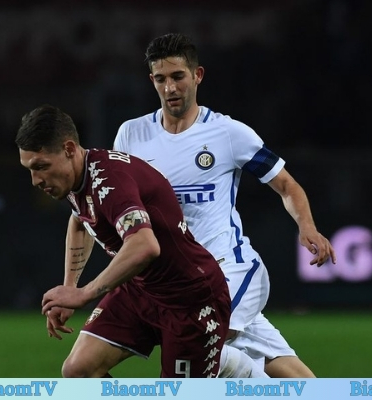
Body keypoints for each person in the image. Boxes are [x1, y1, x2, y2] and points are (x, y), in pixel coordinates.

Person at [113, 33, 337, 378]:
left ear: (197, 75)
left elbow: (286, 184)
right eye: (161, 79)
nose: (170, 88)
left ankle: (248, 379)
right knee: (301, 383)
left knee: (199, 345)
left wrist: (307, 227)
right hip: (176, 281)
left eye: (178, 76)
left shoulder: (228, 133)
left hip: (226, 269)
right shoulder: (131, 135)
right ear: (152, 81)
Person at [17, 104, 267, 378]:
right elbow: (79, 220)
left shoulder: (109, 182)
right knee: (78, 370)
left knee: (178, 394)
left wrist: (85, 293)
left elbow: (145, 245)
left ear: (68, 149)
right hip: (139, 291)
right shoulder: (75, 179)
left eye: (41, 167)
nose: (35, 180)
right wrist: (69, 287)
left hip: (190, 299)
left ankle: (238, 370)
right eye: (29, 169)